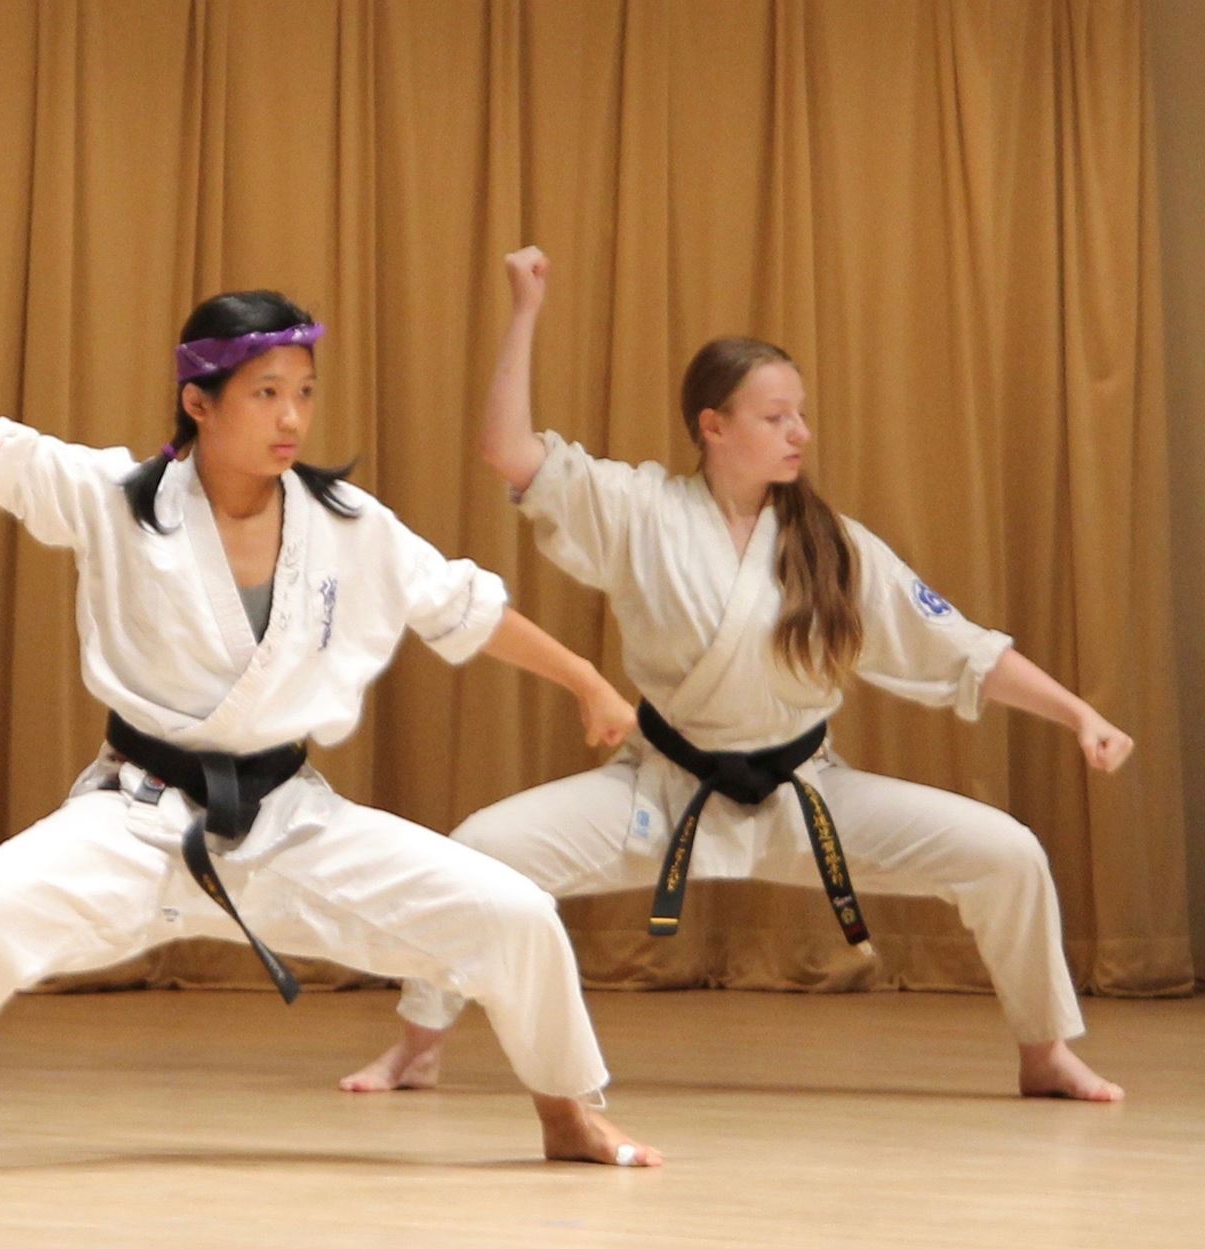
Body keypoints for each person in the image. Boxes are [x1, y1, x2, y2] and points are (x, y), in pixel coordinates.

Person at [0, 242, 663, 1170]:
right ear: (198, 403)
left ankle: (566, 1115)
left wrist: (587, 679)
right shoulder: (115, 499)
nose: (291, 416)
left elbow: (465, 606)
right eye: (264, 393)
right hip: (135, 816)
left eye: (303, 392)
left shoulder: (347, 523)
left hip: (290, 820)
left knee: (514, 912)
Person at [341, 246, 1134, 1103]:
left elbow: (963, 647)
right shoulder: (638, 509)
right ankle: (418, 1044)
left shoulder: (832, 544)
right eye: (774, 416)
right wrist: (526, 309)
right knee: (484, 849)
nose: (798, 433)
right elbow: (508, 450)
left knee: (1007, 854)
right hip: (662, 791)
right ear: (712, 426)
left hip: (805, 794)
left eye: (799, 416)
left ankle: (1044, 1051)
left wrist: (1074, 712)